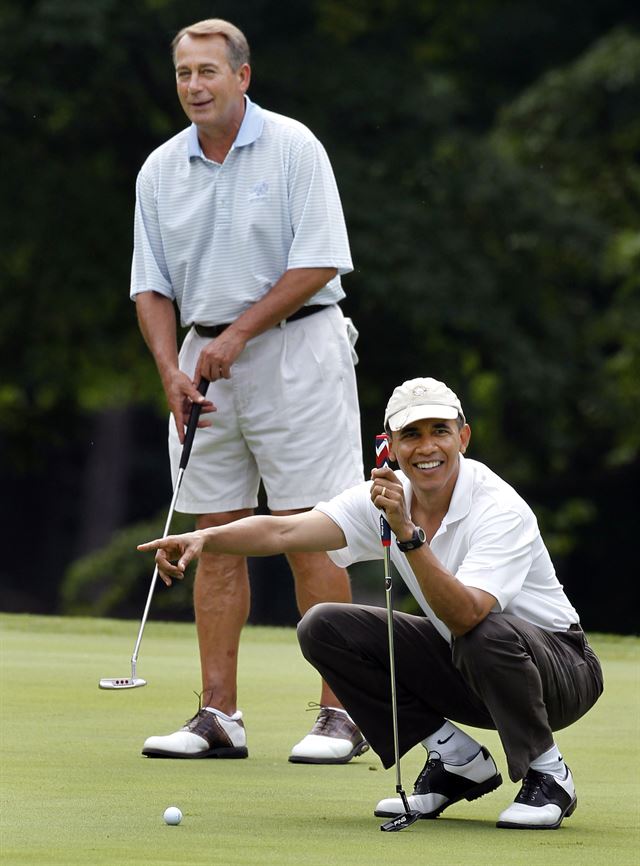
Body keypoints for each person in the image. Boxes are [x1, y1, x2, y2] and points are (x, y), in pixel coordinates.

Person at [138, 376, 604, 829]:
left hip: (560, 672)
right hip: (473, 667)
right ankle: (457, 760)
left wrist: (406, 534)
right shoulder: (383, 495)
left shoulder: (499, 507)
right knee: (324, 626)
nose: (426, 448)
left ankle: (550, 774)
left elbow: (467, 613)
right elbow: (285, 530)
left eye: (440, 431)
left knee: (481, 630)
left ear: (462, 437)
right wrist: (204, 537)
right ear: (392, 444)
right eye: (411, 435)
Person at [130, 17, 367, 764]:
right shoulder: (160, 169)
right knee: (215, 530)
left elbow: (321, 261)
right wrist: (170, 368)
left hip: (297, 347)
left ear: (243, 76)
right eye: (183, 74)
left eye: (208, 72)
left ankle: (342, 712)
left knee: (310, 527)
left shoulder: (295, 147)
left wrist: (239, 334)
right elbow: (151, 286)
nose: (194, 86)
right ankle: (217, 714)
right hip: (201, 362)